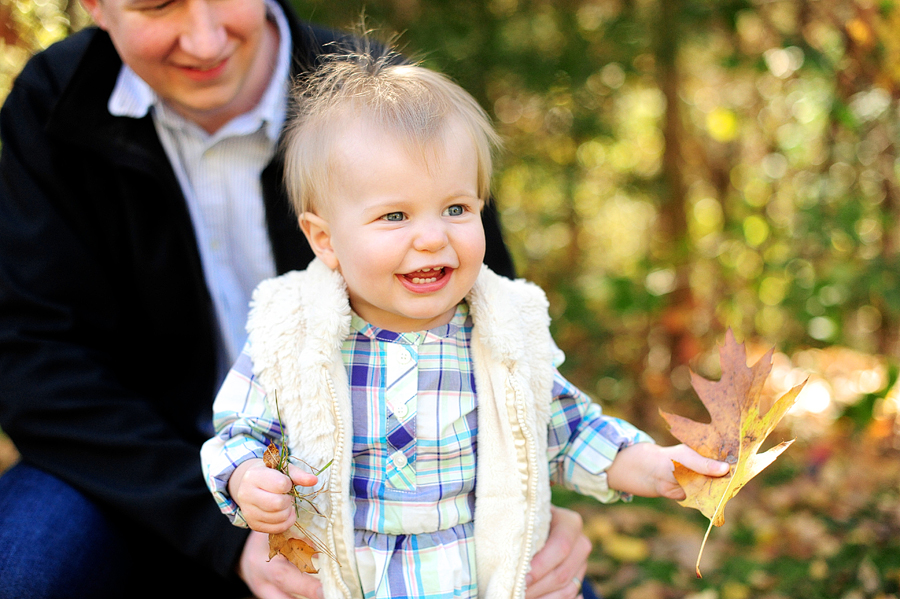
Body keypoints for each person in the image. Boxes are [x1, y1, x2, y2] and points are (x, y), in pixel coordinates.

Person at [0, 1, 595, 598]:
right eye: (158, 4)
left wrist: (528, 504)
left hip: (355, 502)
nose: (204, 40)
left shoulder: (384, 98)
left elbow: (490, 333)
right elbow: (34, 359)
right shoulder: (56, 101)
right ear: (98, 7)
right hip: (133, 472)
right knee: (20, 570)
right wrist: (220, 528)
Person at [200, 49, 730, 599]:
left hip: (472, 576)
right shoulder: (295, 335)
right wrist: (246, 479)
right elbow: (240, 434)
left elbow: (567, 428)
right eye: (395, 216)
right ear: (325, 240)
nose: (433, 237)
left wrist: (649, 466)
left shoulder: (501, 333)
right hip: (346, 578)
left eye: (456, 209)